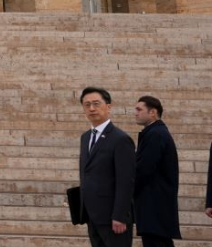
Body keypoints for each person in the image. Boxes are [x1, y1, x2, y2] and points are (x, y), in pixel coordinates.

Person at [78, 87, 135, 247]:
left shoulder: (120, 139)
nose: (91, 108)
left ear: (108, 107)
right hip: (92, 215)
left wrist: (120, 215)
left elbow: (126, 181)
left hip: (113, 218)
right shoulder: (85, 137)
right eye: (87, 105)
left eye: (96, 103)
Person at [133, 95, 181, 246]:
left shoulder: (156, 134)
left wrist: (127, 190)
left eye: (139, 109)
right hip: (156, 206)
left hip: (154, 206)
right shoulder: (155, 132)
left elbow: (144, 169)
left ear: (153, 112)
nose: (135, 112)